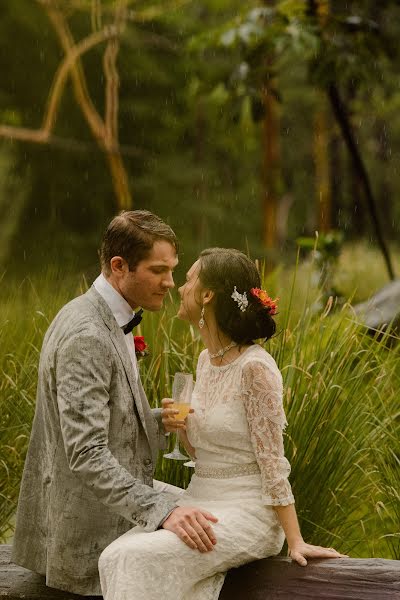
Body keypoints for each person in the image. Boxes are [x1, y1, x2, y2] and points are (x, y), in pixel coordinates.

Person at [99, 247, 347, 600]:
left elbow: (272, 460)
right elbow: (203, 452)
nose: (179, 288)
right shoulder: (204, 360)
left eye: (188, 280)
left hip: (248, 511)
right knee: (113, 556)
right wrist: (182, 427)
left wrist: (296, 540)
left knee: (132, 558)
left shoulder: (255, 368)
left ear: (207, 294)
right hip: (201, 498)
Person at [12, 210, 219, 595]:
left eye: (172, 270)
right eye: (159, 270)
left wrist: (156, 420)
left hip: (109, 519)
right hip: (88, 539)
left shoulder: (109, 316)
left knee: (216, 519)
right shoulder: (87, 335)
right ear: (119, 266)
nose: (170, 283)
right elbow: (87, 453)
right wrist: (162, 510)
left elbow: (102, 420)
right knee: (208, 534)